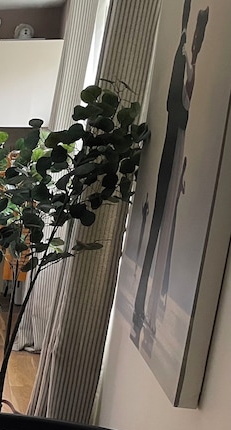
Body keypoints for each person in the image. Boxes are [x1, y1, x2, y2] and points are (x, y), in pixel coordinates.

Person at [130, 1, 209, 344]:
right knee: (157, 230)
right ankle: (142, 308)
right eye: (197, 34)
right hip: (170, 153)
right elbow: (174, 109)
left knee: (165, 233)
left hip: (177, 154)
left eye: (201, 36)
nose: (198, 41)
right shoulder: (181, 58)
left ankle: (149, 308)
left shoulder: (189, 63)